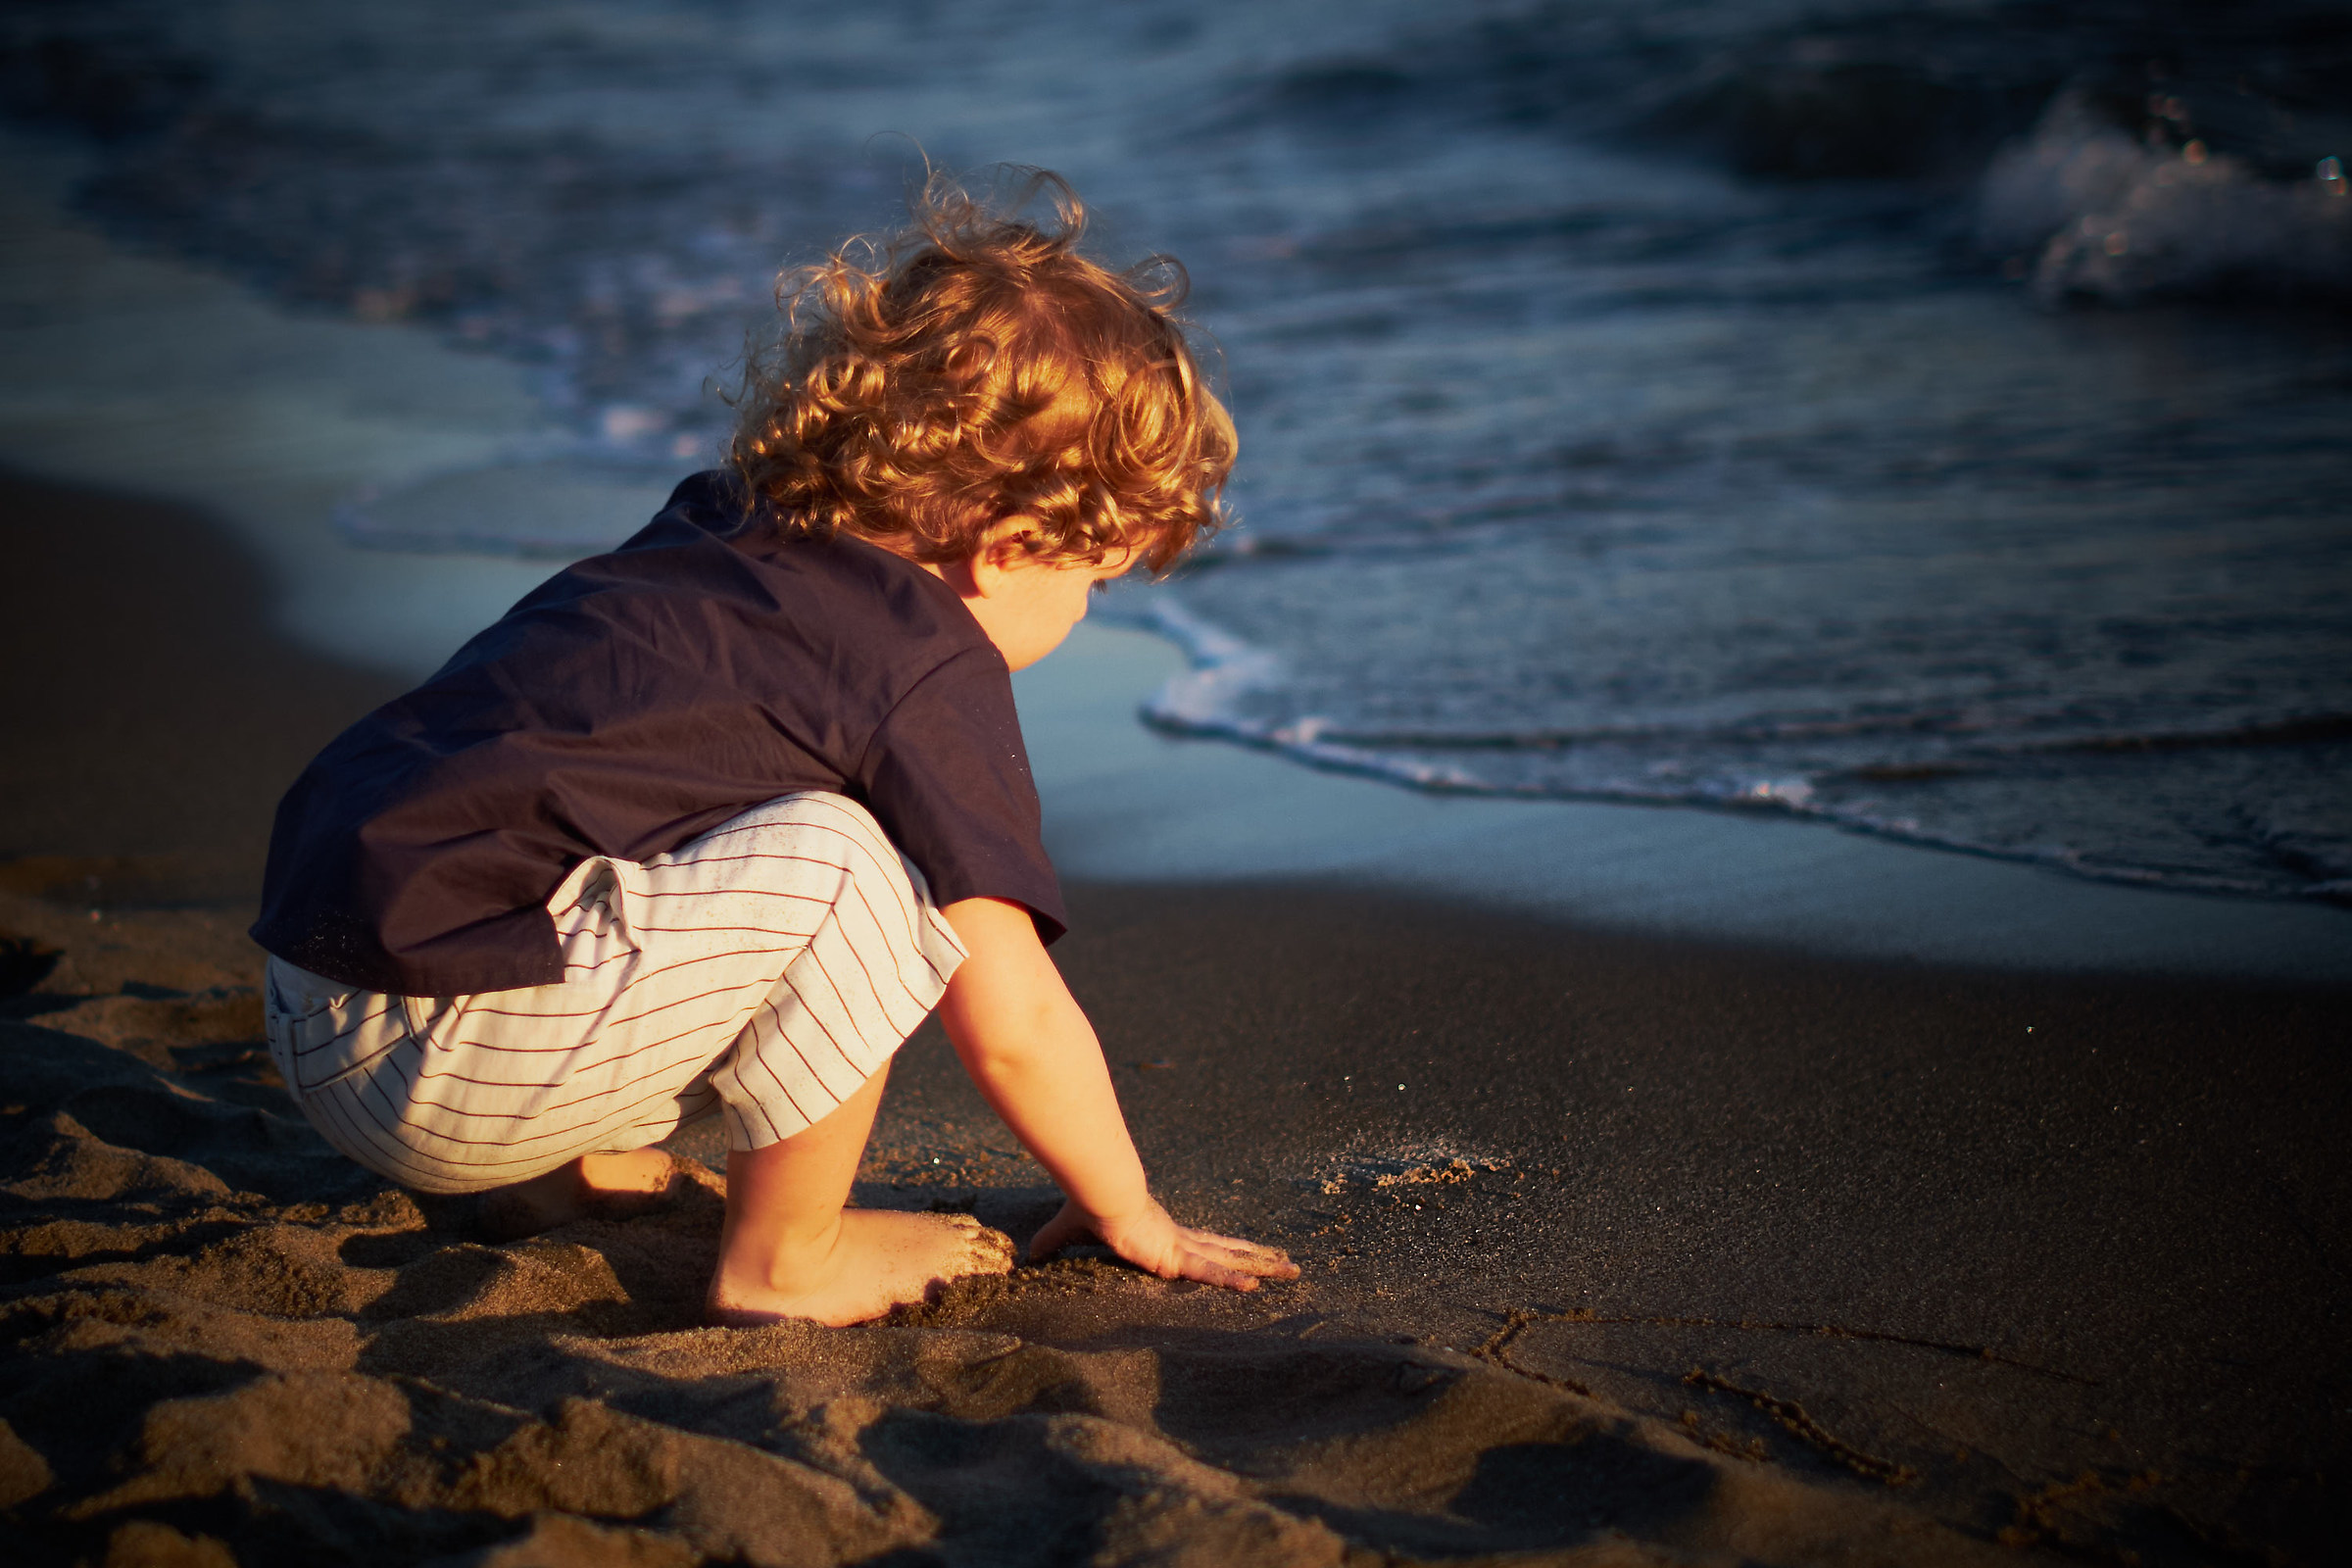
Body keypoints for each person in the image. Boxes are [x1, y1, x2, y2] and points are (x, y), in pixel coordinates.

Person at [251, 169, 1298, 1327]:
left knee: (686, 823)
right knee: (853, 866)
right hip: (439, 1067)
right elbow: (1013, 1011)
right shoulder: (922, 664)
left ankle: (562, 1164)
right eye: (1093, 580)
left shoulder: (724, 525)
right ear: (1006, 549)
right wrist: (1126, 1203)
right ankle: (786, 1263)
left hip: (317, 988)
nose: (1088, 611)